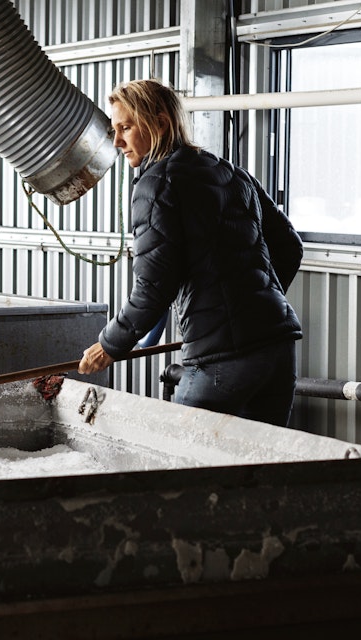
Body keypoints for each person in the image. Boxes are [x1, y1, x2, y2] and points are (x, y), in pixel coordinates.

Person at [78, 79, 304, 428]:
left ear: (160, 122)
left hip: (222, 360)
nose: (118, 141)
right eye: (114, 129)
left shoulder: (156, 184)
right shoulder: (230, 172)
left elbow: (154, 285)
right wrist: (251, 304)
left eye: (126, 127)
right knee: (261, 469)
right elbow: (290, 246)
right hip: (277, 346)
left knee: (181, 461)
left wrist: (109, 344)